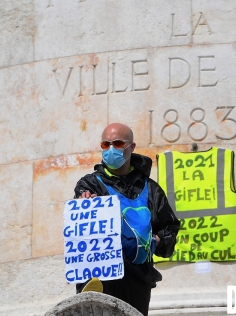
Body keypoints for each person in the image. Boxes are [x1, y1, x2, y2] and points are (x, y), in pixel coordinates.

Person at [73, 123, 179, 315]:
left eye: (118, 143)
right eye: (106, 144)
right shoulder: (89, 184)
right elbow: (80, 225)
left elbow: (169, 228)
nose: (111, 149)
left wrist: (157, 241)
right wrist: (85, 204)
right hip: (100, 277)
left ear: (132, 147)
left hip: (137, 279)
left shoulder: (151, 189)